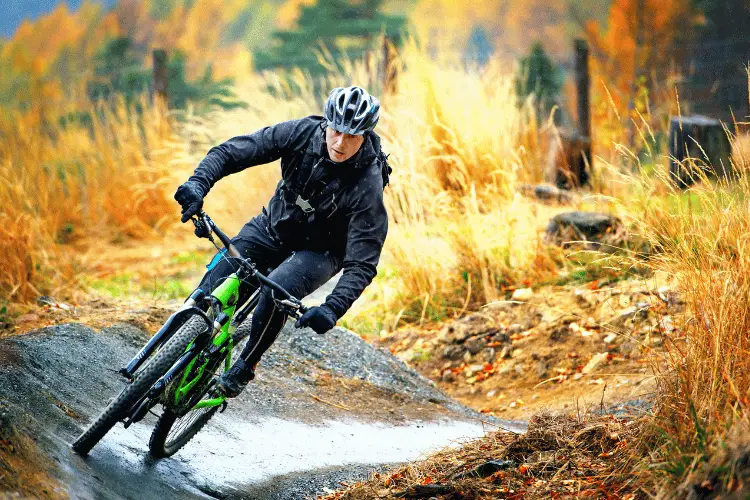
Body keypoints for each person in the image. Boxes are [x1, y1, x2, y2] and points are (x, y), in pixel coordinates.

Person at [174, 86, 390, 397]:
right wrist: (197, 183)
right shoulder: (301, 133)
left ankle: (247, 363)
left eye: (352, 136)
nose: (340, 142)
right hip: (273, 227)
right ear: (326, 123)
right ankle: (178, 343)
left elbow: (363, 262)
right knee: (216, 279)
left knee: (277, 290)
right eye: (336, 131)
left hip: (321, 251)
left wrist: (332, 308)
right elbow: (231, 152)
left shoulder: (368, 184)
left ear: (366, 136)